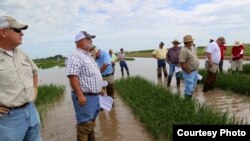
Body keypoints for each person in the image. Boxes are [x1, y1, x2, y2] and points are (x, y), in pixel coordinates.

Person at [0, 15, 41, 141]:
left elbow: (35, 72)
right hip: (8, 120)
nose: (22, 33)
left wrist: (34, 89)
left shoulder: (22, 53)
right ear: (3, 32)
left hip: (31, 111)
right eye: (17, 30)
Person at [67, 31, 103, 141]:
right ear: (82, 41)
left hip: (93, 96)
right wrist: (80, 95)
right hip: (85, 97)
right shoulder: (75, 56)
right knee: (84, 126)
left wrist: (100, 89)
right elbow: (73, 76)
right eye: (89, 39)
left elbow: (92, 75)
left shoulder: (87, 55)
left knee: (90, 123)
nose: (91, 41)